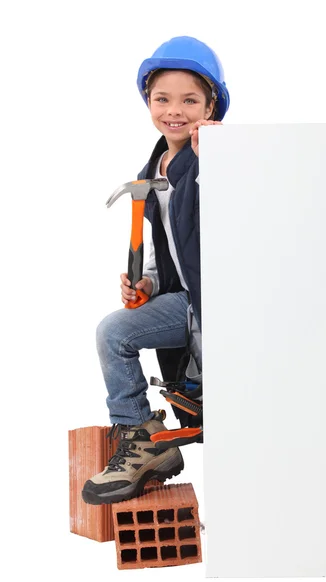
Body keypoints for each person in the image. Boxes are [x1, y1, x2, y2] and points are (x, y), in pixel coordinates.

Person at [82, 36, 230, 505]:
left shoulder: (223, 157)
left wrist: (217, 165)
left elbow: (233, 222)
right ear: (148, 101)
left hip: (219, 300)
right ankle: (140, 437)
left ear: (211, 106)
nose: (175, 111)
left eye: (190, 100)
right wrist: (146, 281)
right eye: (162, 98)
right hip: (183, 299)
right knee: (114, 332)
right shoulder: (156, 166)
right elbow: (166, 241)